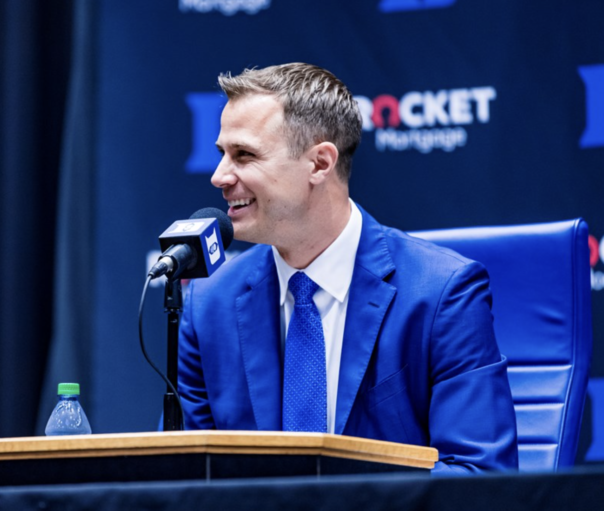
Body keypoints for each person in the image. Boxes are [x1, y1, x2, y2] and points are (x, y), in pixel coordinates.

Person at [177, 63, 518, 474]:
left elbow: (479, 478)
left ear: (320, 164)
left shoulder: (442, 293)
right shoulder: (208, 302)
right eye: (221, 155)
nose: (218, 176)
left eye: (244, 155)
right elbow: (185, 478)